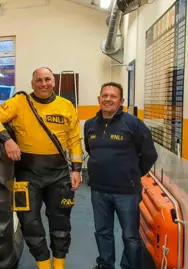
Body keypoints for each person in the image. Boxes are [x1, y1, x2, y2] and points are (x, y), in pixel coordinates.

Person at [0, 67, 83, 269]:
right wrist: (7, 139)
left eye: (47, 79)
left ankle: (59, 265)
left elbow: (74, 140)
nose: (43, 83)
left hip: (59, 174)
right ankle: (44, 265)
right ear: (32, 84)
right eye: (39, 80)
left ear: (54, 82)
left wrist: (77, 170)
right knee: (30, 223)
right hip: (27, 174)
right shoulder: (19, 103)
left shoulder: (66, 106)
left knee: (61, 222)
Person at [84, 82, 158, 269]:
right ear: (99, 99)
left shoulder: (133, 124)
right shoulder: (90, 125)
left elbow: (150, 154)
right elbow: (90, 149)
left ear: (121, 101)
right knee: (102, 231)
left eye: (113, 96)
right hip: (99, 190)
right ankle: (105, 264)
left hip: (127, 191)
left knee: (130, 235)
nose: (108, 99)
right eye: (105, 95)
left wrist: (133, 173)